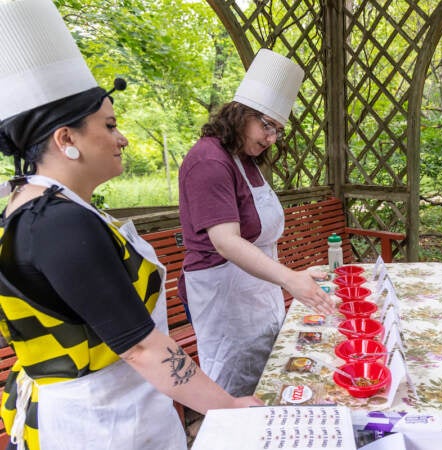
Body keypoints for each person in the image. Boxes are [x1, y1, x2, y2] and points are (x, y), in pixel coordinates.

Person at [0, 2, 260, 449]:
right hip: (101, 423)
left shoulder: (39, 207)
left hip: (113, 407)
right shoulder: (57, 223)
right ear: (67, 139)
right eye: (110, 124)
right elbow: (139, 346)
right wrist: (229, 406)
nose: (122, 138)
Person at [178, 49, 335, 397]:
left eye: (277, 130)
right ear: (239, 113)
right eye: (266, 126)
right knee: (234, 387)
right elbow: (227, 241)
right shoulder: (208, 161)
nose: (270, 139)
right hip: (225, 296)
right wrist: (290, 278)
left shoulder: (242, 158)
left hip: (257, 290)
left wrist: (294, 277)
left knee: (265, 378)